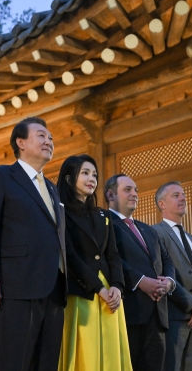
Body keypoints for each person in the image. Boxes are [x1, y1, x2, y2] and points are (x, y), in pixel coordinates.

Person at [0, 116, 66, 371]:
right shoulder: (1, 176)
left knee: (46, 364)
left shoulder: (51, 187)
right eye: (41, 136)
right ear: (21, 142)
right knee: (15, 362)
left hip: (53, 289)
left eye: (51, 138)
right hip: (16, 286)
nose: (49, 141)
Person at [57, 156, 131, 371]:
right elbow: (69, 256)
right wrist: (99, 289)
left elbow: (114, 255)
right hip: (82, 292)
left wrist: (117, 286)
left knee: (111, 356)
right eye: (85, 173)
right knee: (85, 355)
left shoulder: (103, 214)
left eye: (95, 175)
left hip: (110, 296)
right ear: (70, 179)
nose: (92, 179)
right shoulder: (61, 212)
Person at [105, 174, 176, 371]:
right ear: (111, 195)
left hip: (157, 314)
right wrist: (140, 281)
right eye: (127, 190)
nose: (135, 194)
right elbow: (110, 259)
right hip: (128, 311)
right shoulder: (104, 223)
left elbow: (167, 260)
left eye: (135, 189)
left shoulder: (148, 230)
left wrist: (168, 282)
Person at [151, 181, 192, 371]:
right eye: (176, 195)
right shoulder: (155, 233)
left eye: (183, 194)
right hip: (174, 318)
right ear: (162, 204)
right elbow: (162, 276)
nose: (183, 198)